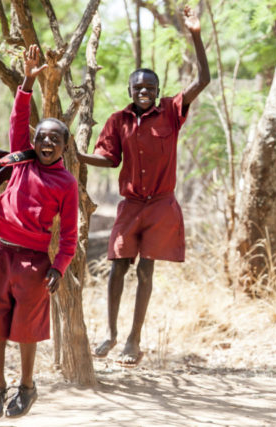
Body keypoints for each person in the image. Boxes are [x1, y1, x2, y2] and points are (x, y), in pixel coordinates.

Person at [77, 5, 210, 367]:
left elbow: (203, 81)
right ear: (130, 89)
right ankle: (111, 333)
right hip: (131, 205)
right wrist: (77, 156)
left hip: (161, 205)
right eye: (139, 87)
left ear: (157, 89)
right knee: (118, 265)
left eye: (150, 87)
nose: (144, 92)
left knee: (146, 270)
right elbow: (109, 159)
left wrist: (195, 35)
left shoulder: (170, 111)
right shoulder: (117, 120)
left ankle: (134, 340)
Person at [0, 45, 78, 418]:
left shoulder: (65, 183)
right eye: (43, 137)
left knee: (26, 329)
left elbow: (68, 233)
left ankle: (26, 386)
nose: (47, 143)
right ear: (34, 141)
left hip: (35, 263)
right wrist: (27, 82)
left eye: (56, 139)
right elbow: (18, 121)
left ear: (65, 147)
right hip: (1, 255)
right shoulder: (21, 159)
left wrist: (59, 267)